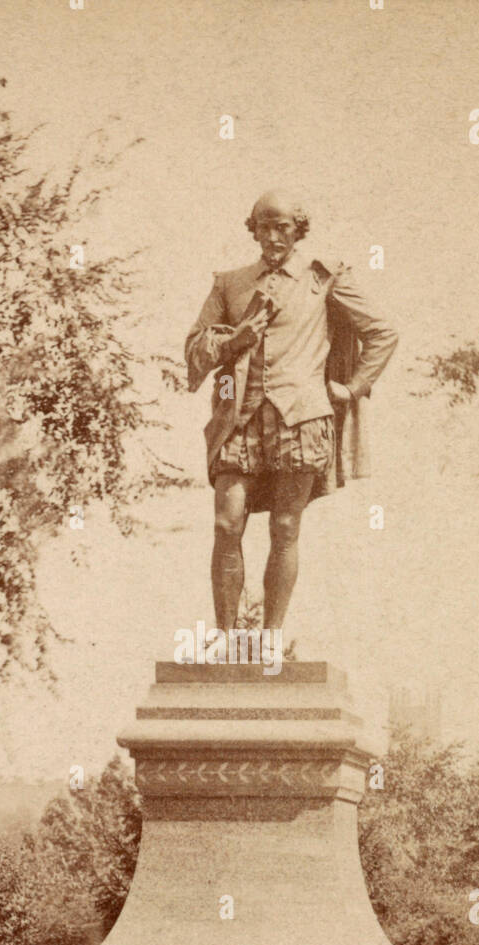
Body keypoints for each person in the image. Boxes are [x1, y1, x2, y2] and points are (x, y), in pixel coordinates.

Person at [185, 188, 398, 632]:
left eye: (283, 226)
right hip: (238, 420)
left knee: (284, 528)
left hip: (300, 418)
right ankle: (226, 641)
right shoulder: (230, 283)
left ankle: (269, 639)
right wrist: (234, 340)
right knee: (227, 524)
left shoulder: (324, 277)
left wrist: (354, 386)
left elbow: (382, 331)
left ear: (298, 230)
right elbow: (195, 348)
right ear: (254, 229)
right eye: (264, 225)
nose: (273, 235)